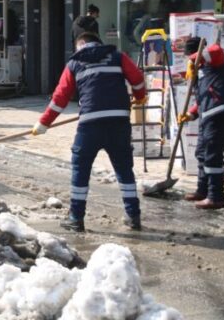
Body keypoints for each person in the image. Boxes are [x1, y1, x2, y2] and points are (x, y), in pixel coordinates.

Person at [32, 32, 146, 232]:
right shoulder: (118, 56)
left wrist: (44, 123)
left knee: (80, 169)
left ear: (81, 44)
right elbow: (137, 79)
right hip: (119, 121)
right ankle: (133, 216)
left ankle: (76, 218)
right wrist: (140, 96)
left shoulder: (75, 63)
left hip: (90, 124)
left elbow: (60, 98)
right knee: (124, 169)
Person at [178, 37, 224, 210]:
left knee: (212, 155)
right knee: (202, 153)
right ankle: (202, 191)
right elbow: (203, 98)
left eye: (190, 56)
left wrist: (195, 59)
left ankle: (216, 197)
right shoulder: (200, 73)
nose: (189, 60)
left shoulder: (216, 62)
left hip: (221, 112)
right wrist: (190, 114)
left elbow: (216, 50)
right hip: (208, 115)